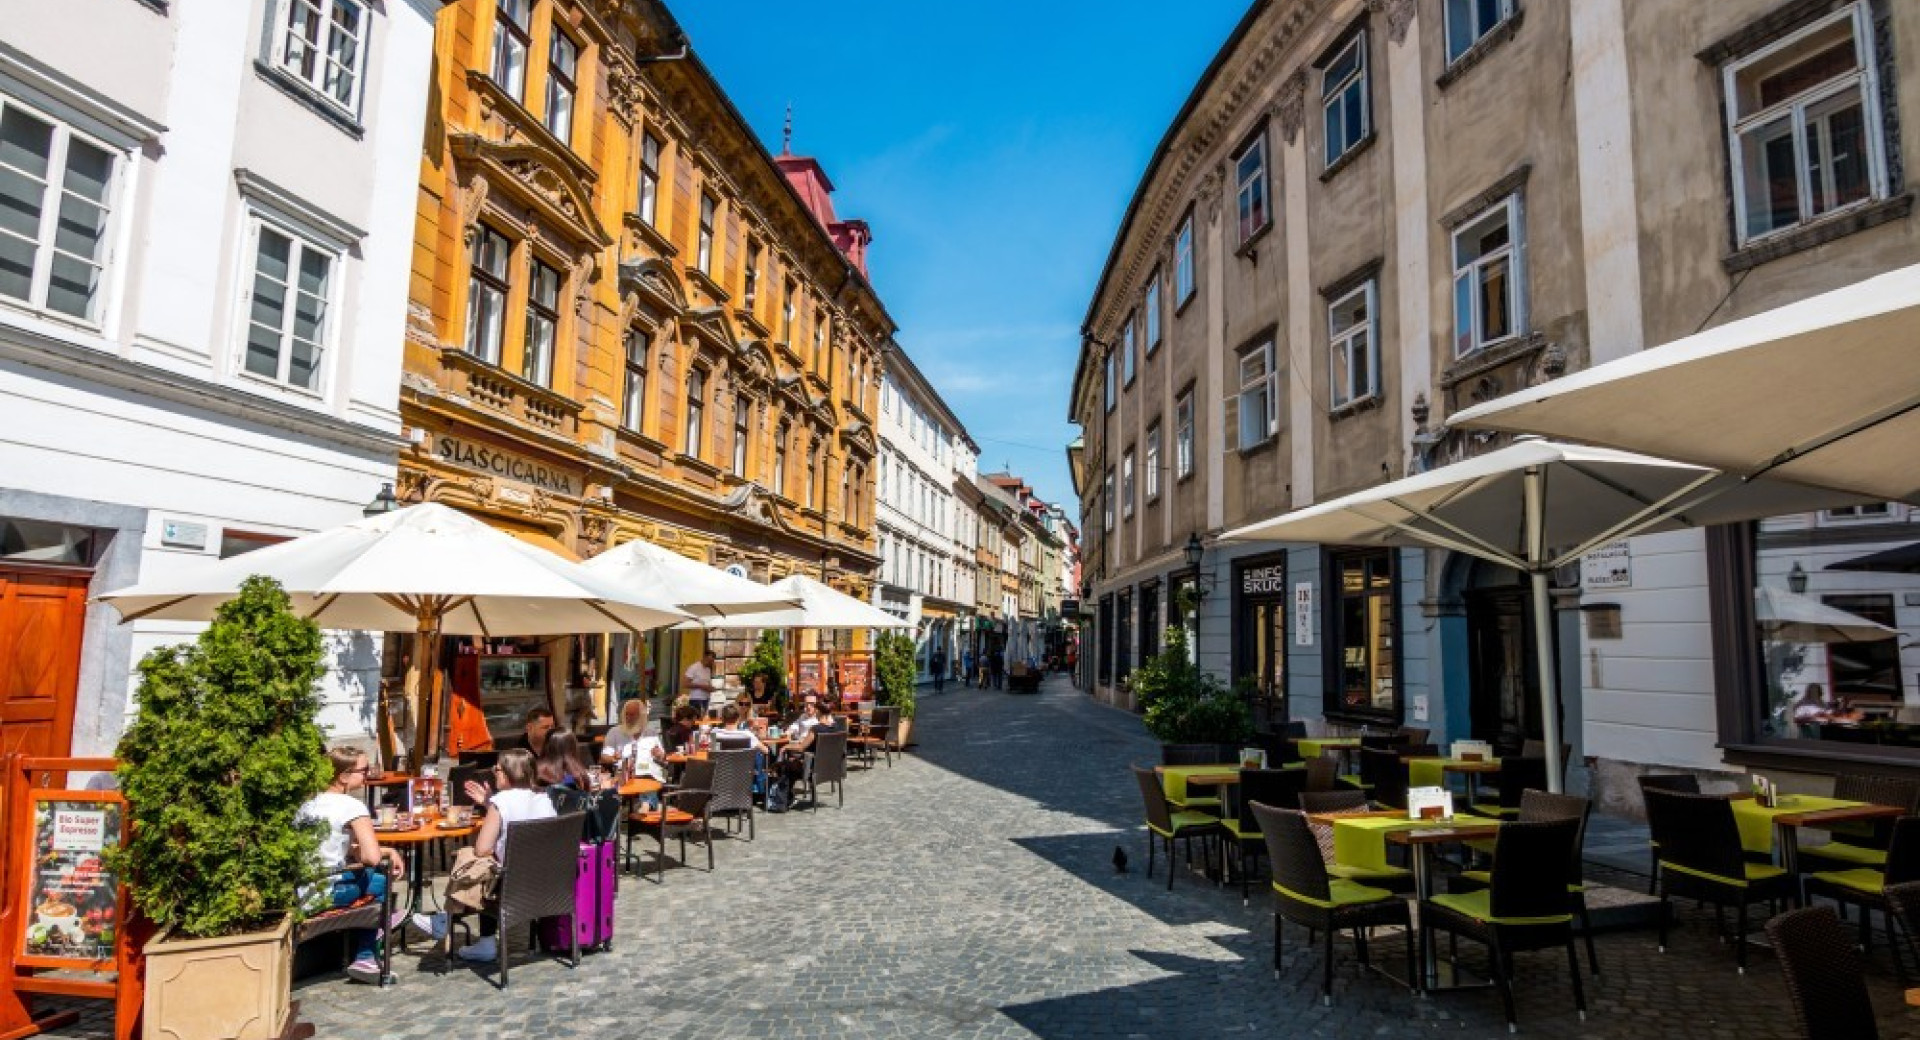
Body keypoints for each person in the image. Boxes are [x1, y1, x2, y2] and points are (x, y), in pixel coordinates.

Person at [418, 749, 557, 963]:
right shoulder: (544, 798)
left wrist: (492, 805)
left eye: (498, 769)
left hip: (509, 886)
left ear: (510, 772)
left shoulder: (501, 802)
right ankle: (467, 932)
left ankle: (447, 919)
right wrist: (489, 802)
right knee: (487, 862)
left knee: (471, 857)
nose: (494, 773)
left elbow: (482, 849)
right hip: (545, 883)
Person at [297, 747, 406, 984]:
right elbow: (371, 859)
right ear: (344, 776)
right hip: (328, 892)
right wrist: (382, 853)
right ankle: (367, 954)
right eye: (364, 770)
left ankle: (387, 920)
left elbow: (331, 846)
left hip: (302, 889)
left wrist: (386, 849)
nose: (368, 775)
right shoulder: (351, 806)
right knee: (380, 879)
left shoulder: (308, 804)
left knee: (371, 877)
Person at [601, 699, 649, 764]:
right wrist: (613, 758)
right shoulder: (614, 732)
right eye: (626, 714)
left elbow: (661, 756)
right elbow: (604, 756)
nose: (628, 718)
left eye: (632, 715)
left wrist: (659, 755)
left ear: (641, 716)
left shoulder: (651, 733)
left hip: (646, 771)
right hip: (622, 771)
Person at [684, 651, 718, 716]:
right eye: (709, 660)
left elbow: (707, 683)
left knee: (702, 721)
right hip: (696, 699)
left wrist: (710, 688)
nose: (710, 663)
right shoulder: (694, 667)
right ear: (704, 657)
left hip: (706, 699)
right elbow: (685, 684)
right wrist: (702, 687)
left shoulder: (708, 669)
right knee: (695, 720)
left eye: (712, 661)